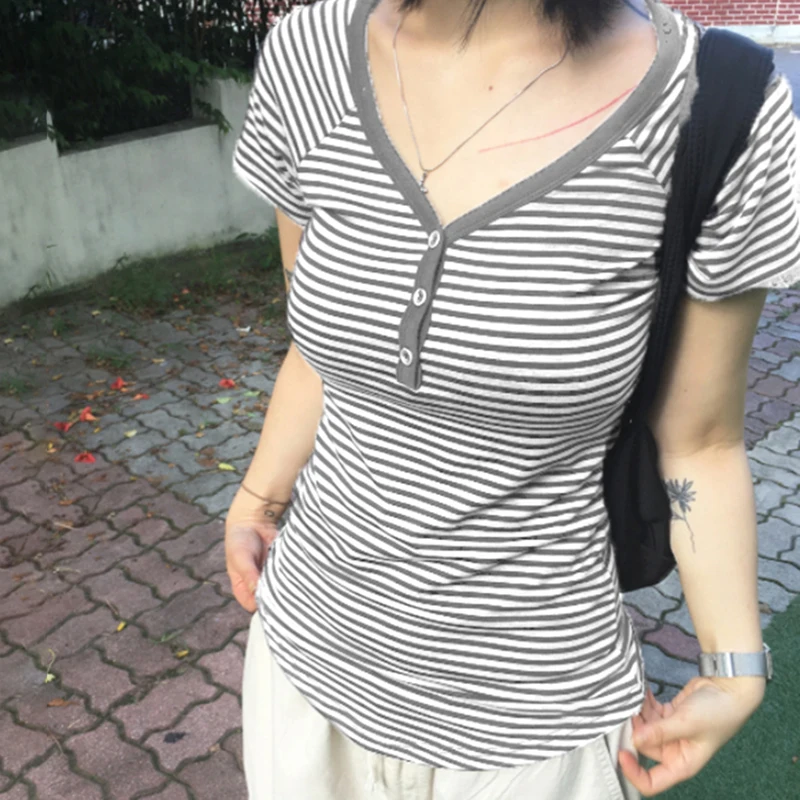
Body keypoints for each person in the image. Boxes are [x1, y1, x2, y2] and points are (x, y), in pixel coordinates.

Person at [226, 0, 800, 797]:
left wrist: (734, 664)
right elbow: (317, 351)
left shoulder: (714, 108)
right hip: (305, 677)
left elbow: (699, 439)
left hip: (535, 733)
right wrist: (258, 497)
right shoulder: (308, 57)